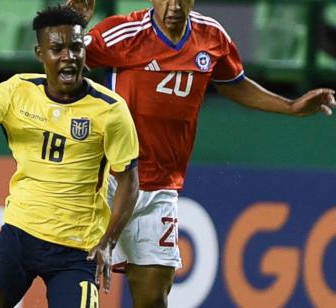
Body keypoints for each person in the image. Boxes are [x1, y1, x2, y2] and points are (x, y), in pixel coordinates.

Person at [66, 0, 336, 307]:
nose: (173, 5)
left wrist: (290, 107)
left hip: (160, 189)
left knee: (153, 298)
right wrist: (71, 21)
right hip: (109, 183)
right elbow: (62, 56)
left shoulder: (211, 37)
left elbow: (233, 83)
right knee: (77, 289)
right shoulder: (124, 33)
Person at [0, 5, 140, 308]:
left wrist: (107, 243)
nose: (69, 56)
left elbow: (129, 181)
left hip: (76, 250)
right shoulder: (17, 91)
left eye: (75, 47)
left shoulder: (110, 109)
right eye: (57, 49)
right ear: (40, 53)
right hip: (20, 237)